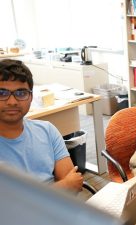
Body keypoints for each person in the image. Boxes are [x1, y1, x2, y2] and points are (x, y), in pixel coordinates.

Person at [0, 59, 83, 192]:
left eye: (21, 93)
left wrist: (67, 186)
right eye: (2, 93)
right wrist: (63, 186)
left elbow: (73, 186)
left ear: (31, 97)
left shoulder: (47, 130)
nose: (12, 102)